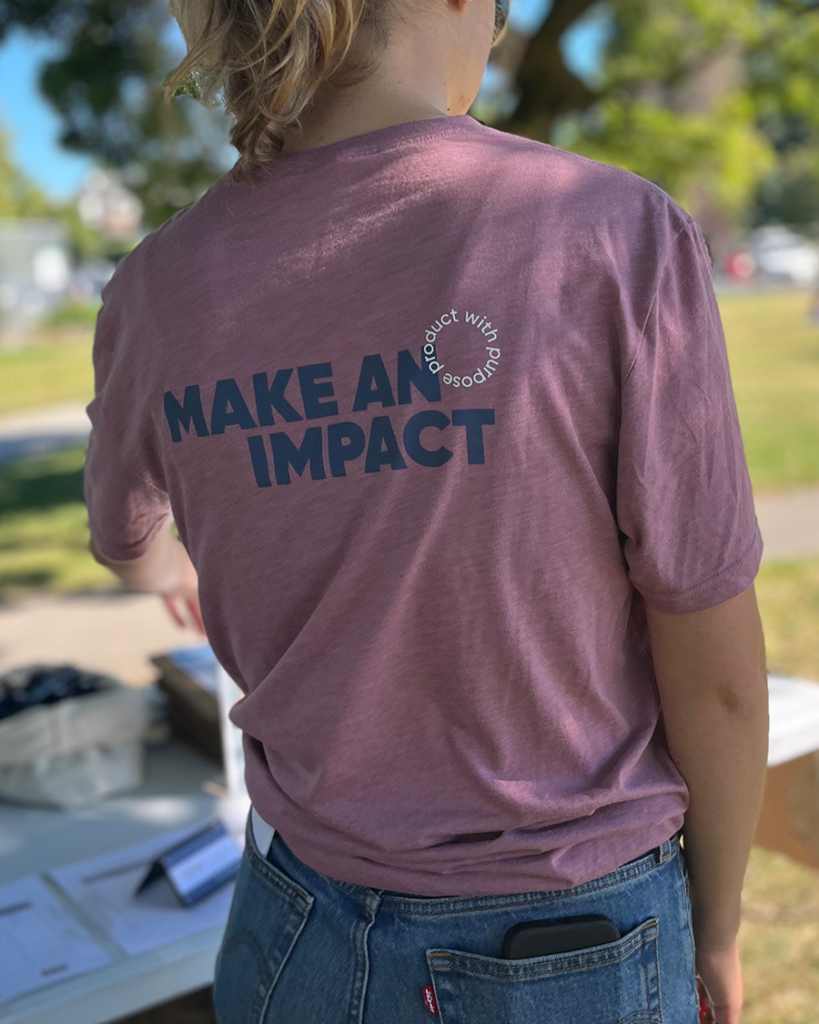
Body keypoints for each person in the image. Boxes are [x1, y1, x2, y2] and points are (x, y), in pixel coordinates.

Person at [82, 0, 770, 1021]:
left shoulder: (151, 290)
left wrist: (189, 556)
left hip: (293, 918)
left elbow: (127, 542)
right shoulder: (612, 229)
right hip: (575, 938)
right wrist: (715, 923)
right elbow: (713, 678)